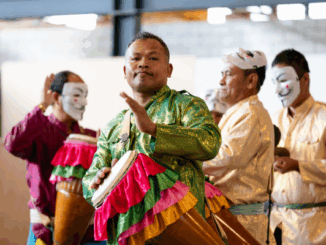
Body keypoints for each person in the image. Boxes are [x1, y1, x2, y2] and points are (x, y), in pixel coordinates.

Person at [82, 32, 221, 243]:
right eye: (135, 58)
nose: (143, 64)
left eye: (153, 58)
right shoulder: (113, 126)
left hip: (181, 232)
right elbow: (89, 179)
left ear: (169, 69)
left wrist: (155, 130)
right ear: (125, 70)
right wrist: (98, 179)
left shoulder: (185, 105)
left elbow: (209, 143)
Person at [4, 71, 103, 245]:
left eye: (85, 96)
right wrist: (43, 104)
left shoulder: (90, 137)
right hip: (45, 231)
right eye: (77, 95)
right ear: (56, 97)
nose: (84, 102)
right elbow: (13, 144)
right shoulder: (39, 130)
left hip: (86, 232)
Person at [202, 48, 276, 244]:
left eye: (228, 74)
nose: (221, 82)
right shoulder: (237, 112)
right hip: (228, 219)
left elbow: (225, 158)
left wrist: (183, 161)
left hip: (243, 223)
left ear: (251, 81)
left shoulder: (250, 113)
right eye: (221, 74)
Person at [270, 49, 326, 245]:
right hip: (275, 223)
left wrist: (299, 165)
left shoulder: (323, 117)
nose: (278, 89)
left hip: (313, 227)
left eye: (283, 80)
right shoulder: (272, 119)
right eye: (274, 82)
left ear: (305, 79)